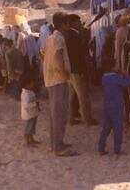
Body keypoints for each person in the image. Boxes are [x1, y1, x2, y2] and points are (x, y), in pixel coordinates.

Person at [43, 12, 79, 157]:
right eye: (68, 23)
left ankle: (55, 143)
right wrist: (64, 75)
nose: (70, 26)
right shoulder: (59, 38)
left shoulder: (50, 38)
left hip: (51, 79)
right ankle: (58, 147)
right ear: (63, 24)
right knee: (59, 114)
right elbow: (58, 57)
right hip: (58, 80)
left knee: (54, 113)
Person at [65, 14, 98, 126]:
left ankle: (71, 118)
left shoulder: (69, 35)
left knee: (71, 95)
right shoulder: (74, 35)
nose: (80, 24)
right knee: (83, 95)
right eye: (78, 22)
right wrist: (88, 45)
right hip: (77, 70)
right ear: (73, 23)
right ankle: (87, 119)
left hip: (71, 70)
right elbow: (78, 54)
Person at [98, 58, 130, 157]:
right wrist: (125, 74)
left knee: (105, 128)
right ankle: (117, 150)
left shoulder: (104, 77)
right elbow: (129, 83)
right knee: (118, 128)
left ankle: (101, 148)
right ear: (113, 67)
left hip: (107, 105)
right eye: (116, 64)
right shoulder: (116, 77)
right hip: (117, 106)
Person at [21, 59, 41, 147]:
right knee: (28, 128)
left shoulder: (30, 91)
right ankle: (27, 140)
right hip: (28, 114)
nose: (34, 84)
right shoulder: (25, 94)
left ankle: (31, 139)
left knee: (32, 127)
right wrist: (35, 104)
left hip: (32, 113)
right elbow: (26, 105)